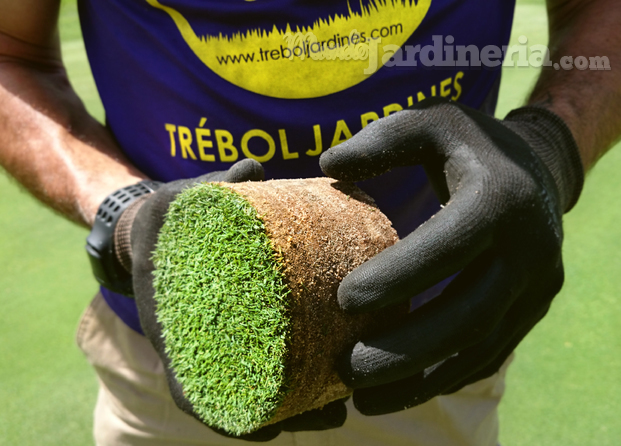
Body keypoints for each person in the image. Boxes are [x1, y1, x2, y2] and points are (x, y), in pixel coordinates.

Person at [0, 0, 619, 445]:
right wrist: (123, 207)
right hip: (171, 351)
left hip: (437, 342)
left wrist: (549, 146)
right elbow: (12, 50)